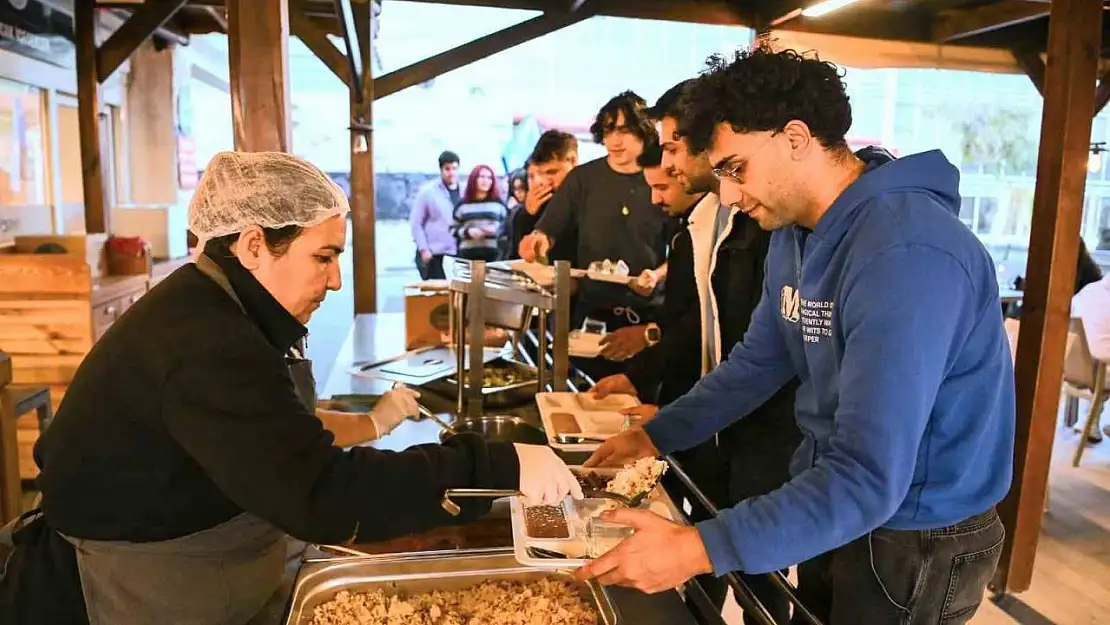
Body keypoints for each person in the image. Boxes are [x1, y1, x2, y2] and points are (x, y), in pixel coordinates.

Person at [0, 152, 582, 625]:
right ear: (254, 245)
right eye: (323, 257)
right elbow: (321, 493)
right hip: (139, 585)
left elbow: (279, 440)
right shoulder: (206, 340)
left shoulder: (224, 307)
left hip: (196, 552)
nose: (334, 280)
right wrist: (493, 464)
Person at [577, 48, 1014, 625]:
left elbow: (869, 475)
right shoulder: (796, 233)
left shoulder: (906, 252)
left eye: (735, 168)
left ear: (796, 137)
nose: (728, 194)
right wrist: (657, 435)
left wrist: (697, 548)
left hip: (918, 531)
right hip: (834, 498)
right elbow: (757, 362)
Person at [592, 80, 799, 623]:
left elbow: (759, 364)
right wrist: (659, 429)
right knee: (720, 572)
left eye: (675, 148)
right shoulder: (713, 222)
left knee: (766, 585)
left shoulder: (775, 230)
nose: (666, 170)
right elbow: (749, 358)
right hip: (721, 426)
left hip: (770, 443)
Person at [518, 92, 675, 382]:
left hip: (645, 316)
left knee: (635, 400)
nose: (614, 140)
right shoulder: (583, 178)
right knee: (588, 397)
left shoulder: (660, 178)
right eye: (608, 130)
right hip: (592, 313)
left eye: (624, 130)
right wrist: (538, 239)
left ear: (644, 130)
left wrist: (656, 275)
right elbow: (550, 227)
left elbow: (681, 249)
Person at [510, 130, 579, 263]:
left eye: (552, 172)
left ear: (572, 160)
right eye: (539, 174)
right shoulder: (539, 203)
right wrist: (527, 215)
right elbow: (517, 257)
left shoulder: (592, 194)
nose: (544, 181)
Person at [410, 150, 461, 280]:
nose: (451, 173)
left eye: (454, 168)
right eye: (447, 169)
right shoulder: (428, 192)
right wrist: (423, 249)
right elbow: (416, 223)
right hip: (436, 253)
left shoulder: (465, 191)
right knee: (438, 296)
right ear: (441, 169)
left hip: (459, 252)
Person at [452, 164, 508, 263]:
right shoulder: (462, 205)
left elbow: (507, 227)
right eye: (482, 177)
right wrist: (468, 232)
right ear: (474, 179)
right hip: (467, 256)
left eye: (489, 178)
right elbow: (452, 229)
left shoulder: (499, 204)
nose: (485, 181)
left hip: (494, 255)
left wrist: (496, 230)